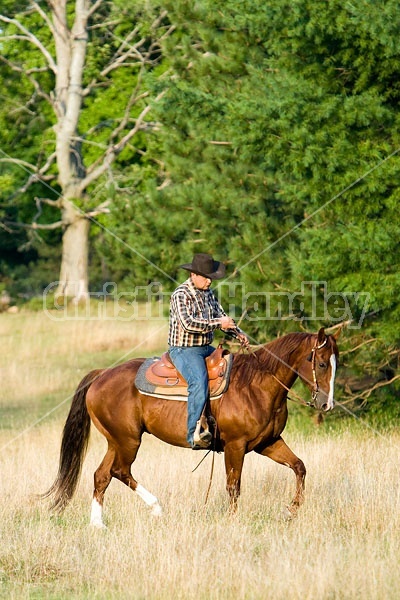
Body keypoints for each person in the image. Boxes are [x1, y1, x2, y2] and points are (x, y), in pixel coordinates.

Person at [168, 253, 249, 450]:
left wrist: (237, 332)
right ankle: (193, 434)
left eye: (211, 277)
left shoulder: (208, 294)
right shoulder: (180, 295)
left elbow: (221, 317)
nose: (209, 280)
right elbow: (188, 324)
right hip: (184, 349)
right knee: (199, 381)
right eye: (206, 276)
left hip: (205, 347)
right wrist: (219, 323)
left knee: (234, 370)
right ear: (194, 275)